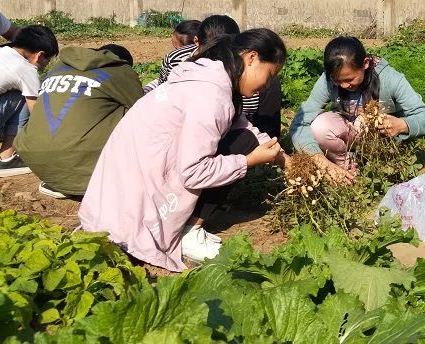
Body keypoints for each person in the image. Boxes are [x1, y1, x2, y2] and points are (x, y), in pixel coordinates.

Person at [79, 29, 288, 270]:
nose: (268, 85)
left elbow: (244, 126)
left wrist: (287, 161)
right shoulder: (211, 96)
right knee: (244, 145)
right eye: (270, 75)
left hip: (116, 191)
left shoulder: (205, 76)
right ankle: (190, 232)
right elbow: (193, 172)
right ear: (251, 58)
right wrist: (248, 161)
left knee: (244, 138)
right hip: (140, 199)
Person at [290, 36, 425, 183]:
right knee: (319, 126)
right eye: (337, 80)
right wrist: (320, 160)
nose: (343, 86)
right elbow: (300, 123)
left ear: (365, 63)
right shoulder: (328, 80)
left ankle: (378, 164)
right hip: (349, 132)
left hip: (382, 139)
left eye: (349, 79)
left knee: (364, 121)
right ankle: (346, 165)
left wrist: (402, 124)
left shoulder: (391, 79)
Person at [14, 44, 144, 198]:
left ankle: (58, 180)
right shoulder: (120, 70)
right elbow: (143, 110)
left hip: (34, 157)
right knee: (135, 114)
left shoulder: (57, 68)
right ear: (122, 61)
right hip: (83, 169)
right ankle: (103, 177)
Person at [146, 15, 282, 138]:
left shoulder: (228, 78)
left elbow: (238, 120)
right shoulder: (212, 88)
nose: (217, 56)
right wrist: (248, 160)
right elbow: (194, 162)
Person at [0, 26, 59, 177]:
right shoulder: (26, 70)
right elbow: (37, 114)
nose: (44, 66)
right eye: (47, 61)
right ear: (39, 55)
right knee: (24, 96)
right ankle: (4, 160)